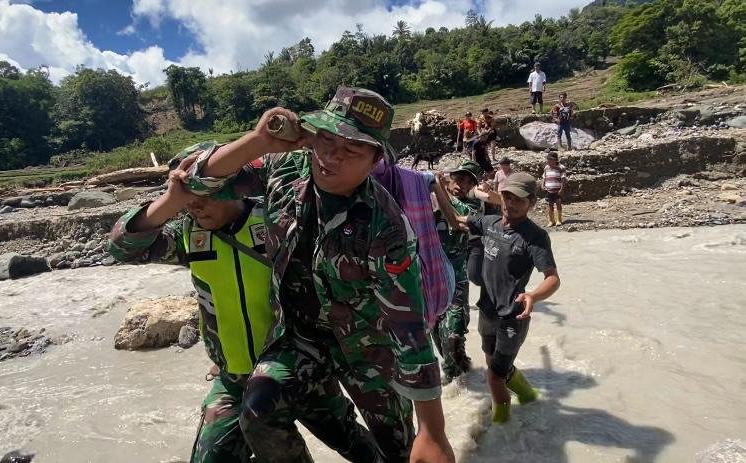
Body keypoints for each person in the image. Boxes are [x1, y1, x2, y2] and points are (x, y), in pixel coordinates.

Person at [177, 87, 454, 462]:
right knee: (258, 411)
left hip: (367, 352)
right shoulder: (286, 169)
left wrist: (433, 432)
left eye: (351, 150)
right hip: (299, 339)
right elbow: (199, 181)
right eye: (326, 139)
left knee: (400, 452)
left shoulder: (385, 226)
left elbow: (409, 328)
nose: (331, 157)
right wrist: (259, 141)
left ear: (374, 160)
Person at [105, 171, 376, 462]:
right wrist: (172, 199)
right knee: (211, 456)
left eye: (204, 194)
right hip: (234, 378)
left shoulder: (276, 221)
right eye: (188, 198)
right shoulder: (188, 234)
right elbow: (122, 247)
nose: (195, 205)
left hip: (300, 369)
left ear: (233, 188)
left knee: (354, 444)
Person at [461, 172, 561, 424]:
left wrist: (533, 295)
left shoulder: (535, 236)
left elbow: (553, 278)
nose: (511, 203)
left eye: (519, 199)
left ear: (532, 203)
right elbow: (457, 220)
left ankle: (501, 430)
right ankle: (528, 396)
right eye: (506, 196)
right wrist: (436, 192)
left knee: (494, 378)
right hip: (486, 310)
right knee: (492, 364)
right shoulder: (490, 223)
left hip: (512, 317)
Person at [430, 160, 485, 384]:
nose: (460, 184)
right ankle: (459, 373)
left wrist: (439, 189)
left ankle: (457, 377)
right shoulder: (431, 198)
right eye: (458, 178)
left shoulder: (473, 208)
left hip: (457, 280)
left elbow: (456, 219)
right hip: (432, 279)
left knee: (453, 332)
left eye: (468, 181)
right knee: (437, 331)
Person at [542, 152, 567, 227]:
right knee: (550, 205)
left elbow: (563, 179)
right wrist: (542, 184)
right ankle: (551, 220)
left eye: (550, 160)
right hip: (549, 190)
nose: (548, 161)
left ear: (555, 160)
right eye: (548, 159)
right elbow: (544, 177)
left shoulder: (561, 167)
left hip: (557, 190)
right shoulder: (546, 167)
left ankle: (558, 220)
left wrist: (562, 189)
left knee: (558, 203)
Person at [473, 108, 497, 173]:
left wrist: (488, 131)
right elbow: (478, 127)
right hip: (483, 133)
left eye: (485, 112)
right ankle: (485, 157)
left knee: (493, 144)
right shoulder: (480, 118)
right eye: (483, 112)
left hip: (490, 132)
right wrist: (480, 134)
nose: (483, 114)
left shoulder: (491, 117)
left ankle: (493, 157)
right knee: (484, 146)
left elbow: (492, 126)